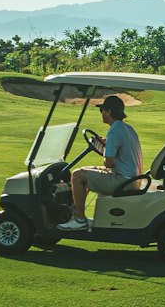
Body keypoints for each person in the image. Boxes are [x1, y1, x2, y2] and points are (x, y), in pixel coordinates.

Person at [58, 94, 144, 230]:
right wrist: (106, 143)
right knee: (85, 170)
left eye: (102, 110)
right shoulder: (128, 128)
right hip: (132, 179)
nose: (101, 113)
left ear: (109, 111)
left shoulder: (114, 131)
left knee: (77, 175)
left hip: (122, 180)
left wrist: (106, 149)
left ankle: (79, 219)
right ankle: (77, 214)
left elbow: (108, 163)